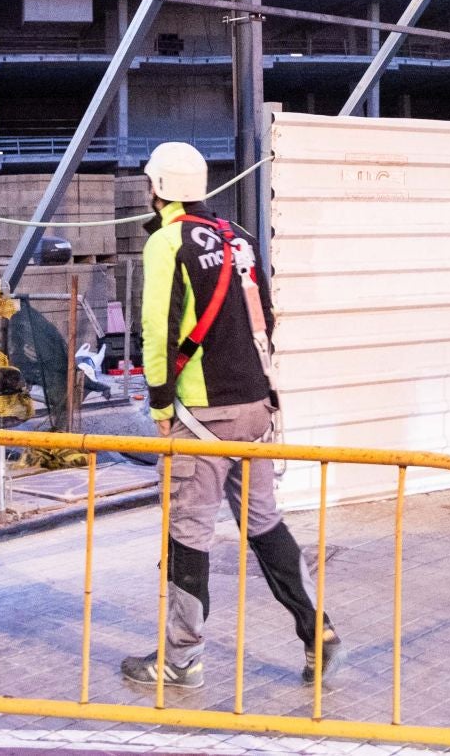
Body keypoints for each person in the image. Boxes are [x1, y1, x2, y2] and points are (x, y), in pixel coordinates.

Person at [119, 140, 341, 691]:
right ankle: (317, 629)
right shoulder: (238, 237)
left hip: (203, 413)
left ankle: (181, 660)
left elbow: (156, 333)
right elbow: (266, 317)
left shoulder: (168, 242)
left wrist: (160, 406)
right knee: (263, 521)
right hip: (256, 407)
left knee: (189, 532)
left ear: (158, 189)